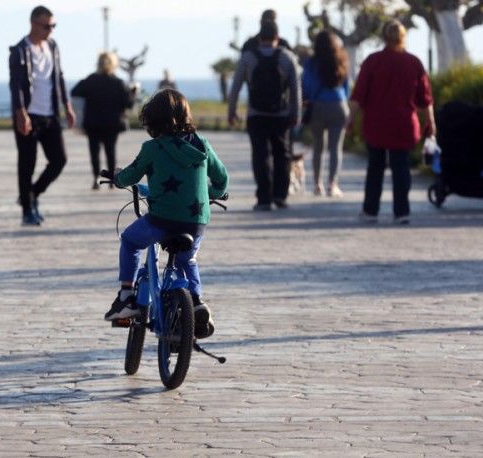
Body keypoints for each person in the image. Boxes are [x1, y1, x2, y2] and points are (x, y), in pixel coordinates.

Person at [103, 89, 229, 339]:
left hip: (161, 220)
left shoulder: (152, 148)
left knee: (130, 241)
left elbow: (129, 176)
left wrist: (117, 178)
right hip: (196, 222)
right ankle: (195, 300)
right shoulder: (202, 145)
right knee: (187, 260)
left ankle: (127, 296)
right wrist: (212, 192)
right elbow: (221, 178)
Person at [349, 20, 435, 225]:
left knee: (375, 168)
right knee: (401, 168)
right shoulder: (414, 63)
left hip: (377, 123)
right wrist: (431, 122)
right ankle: (401, 211)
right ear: (403, 37)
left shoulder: (372, 61)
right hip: (403, 124)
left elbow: (359, 95)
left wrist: (350, 118)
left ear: (384, 37)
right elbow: (425, 99)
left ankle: (370, 210)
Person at [8, 5, 77, 227]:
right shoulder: (20, 50)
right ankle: (27, 211)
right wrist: (21, 113)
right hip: (28, 115)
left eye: (53, 25)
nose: (50, 30)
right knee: (27, 163)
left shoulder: (53, 47)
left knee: (59, 160)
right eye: (47, 26)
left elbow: (60, 77)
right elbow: (16, 85)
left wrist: (67, 105)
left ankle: (32, 194)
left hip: (50, 115)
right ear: (34, 24)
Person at [228, 21, 301, 211]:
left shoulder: (248, 57)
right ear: (277, 37)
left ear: (259, 38)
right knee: (282, 155)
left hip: (256, 115)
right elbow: (295, 90)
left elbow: (235, 87)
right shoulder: (287, 57)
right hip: (281, 115)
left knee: (260, 156)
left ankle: (263, 198)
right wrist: (296, 114)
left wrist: (232, 112)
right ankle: (280, 195)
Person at [70, 52, 135, 190]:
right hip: (112, 123)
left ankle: (96, 178)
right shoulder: (118, 82)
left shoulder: (90, 80)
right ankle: (111, 180)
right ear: (113, 64)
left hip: (92, 123)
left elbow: (75, 91)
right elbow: (128, 104)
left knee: (94, 151)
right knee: (110, 151)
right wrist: (132, 93)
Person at [302, 31, 350, 198]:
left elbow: (306, 84)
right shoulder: (341, 60)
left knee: (318, 147)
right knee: (336, 148)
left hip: (318, 107)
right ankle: (333, 184)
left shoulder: (311, 63)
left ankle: (317, 185)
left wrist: (307, 98)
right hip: (339, 106)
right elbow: (346, 87)